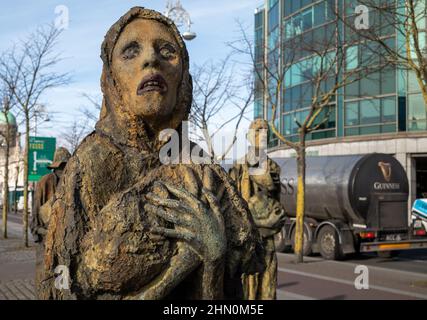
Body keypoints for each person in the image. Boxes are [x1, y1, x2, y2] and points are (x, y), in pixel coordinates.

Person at [38, 7, 264, 300]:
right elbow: (60, 288)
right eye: (131, 51)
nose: (151, 59)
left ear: (183, 79)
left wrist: (213, 259)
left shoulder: (201, 166)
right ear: (110, 80)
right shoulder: (89, 163)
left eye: (167, 51)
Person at [229, 119, 286, 300]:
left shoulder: (274, 168)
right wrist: (262, 223)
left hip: (267, 245)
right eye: (257, 131)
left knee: (267, 292)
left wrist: (269, 224)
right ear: (248, 136)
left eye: (265, 132)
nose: (261, 135)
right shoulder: (237, 168)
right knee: (246, 293)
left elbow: (278, 211)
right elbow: (231, 210)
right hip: (245, 244)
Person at [30, 147, 71, 298]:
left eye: (65, 166)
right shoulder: (44, 183)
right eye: (60, 167)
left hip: (64, 246)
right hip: (45, 244)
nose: (63, 170)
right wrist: (45, 233)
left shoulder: (72, 184)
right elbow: (34, 223)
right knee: (45, 285)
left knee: (62, 286)